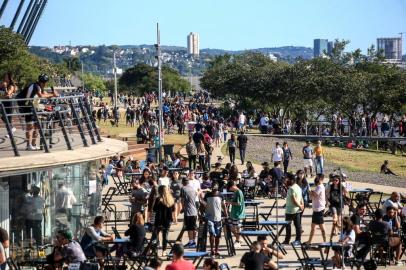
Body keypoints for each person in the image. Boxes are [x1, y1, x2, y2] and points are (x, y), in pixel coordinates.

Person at [16, 74, 58, 150]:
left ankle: (33, 144)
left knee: (37, 126)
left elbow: (44, 93)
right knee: (30, 127)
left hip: (33, 107)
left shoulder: (39, 86)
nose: (45, 84)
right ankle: (29, 145)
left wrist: (53, 94)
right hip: (27, 107)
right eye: (45, 82)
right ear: (43, 82)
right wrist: (52, 94)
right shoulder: (36, 86)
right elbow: (41, 95)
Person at [202, 183, 228, 257]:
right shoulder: (207, 195)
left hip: (218, 218)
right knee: (211, 234)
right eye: (212, 187)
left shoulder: (221, 195)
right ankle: (212, 250)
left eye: (215, 188)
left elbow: (224, 206)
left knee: (218, 235)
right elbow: (203, 205)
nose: (213, 189)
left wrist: (226, 215)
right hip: (209, 218)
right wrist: (202, 213)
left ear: (217, 188)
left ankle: (216, 250)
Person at [152, 186, 175, 257]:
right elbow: (173, 209)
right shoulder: (171, 198)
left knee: (155, 236)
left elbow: (154, 209)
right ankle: (164, 251)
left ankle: (154, 250)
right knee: (165, 236)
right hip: (167, 220)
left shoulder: (158, 199)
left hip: (159, 220)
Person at [283, 173, 304, 245]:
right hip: (297, 210)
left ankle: (287, 240)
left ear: (291, 180)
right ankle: (298, 240)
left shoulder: (291, 188)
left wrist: (299, 206)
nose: (286, 180)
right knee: (298, 225)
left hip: (290, 210)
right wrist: (301, 205)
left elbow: (294, 200)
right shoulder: (298, 187)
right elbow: (301, 198)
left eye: (287, 179)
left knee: (288, 225)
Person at [305, 174, 327, 244]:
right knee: (313, 227)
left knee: (321, 227)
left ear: (321, 179)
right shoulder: (318, 187)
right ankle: (309, 241)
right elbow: (312, 197)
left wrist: (309, 191)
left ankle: (325, 242)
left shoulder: (320, 187)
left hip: (319, 210)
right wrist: (311, 192)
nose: (316, 179)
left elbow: (314, 195)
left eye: (317, 177)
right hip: (316, 209)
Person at [227, 180, 245, 248]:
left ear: (232, 186)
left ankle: (238, 241)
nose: (230, 190)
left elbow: (238, 203)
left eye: (230, 188)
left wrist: (229, 202)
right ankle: (239, 239)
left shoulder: (238, 192)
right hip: (234, 213)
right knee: (231, 227)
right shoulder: (236, 192)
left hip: (238, 213)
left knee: (237, 227)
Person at [181, 178, 198, 248]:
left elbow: (182, 200)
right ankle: (193, 241)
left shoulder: (183, 188)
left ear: (183, 182)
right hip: (194, 211)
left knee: (189, 228)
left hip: (188, 211)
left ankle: (191, 242)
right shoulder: (193, 189)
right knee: (193, 227)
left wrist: (182, 208)